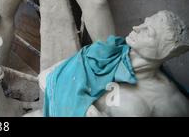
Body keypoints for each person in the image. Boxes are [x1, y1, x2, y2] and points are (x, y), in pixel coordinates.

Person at [39, 11, 189, 117]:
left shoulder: (171, 104)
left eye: (147, 32)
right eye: (143, 22)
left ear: (164, 52)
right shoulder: (106, 54)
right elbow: (46, 77)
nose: (136, 28)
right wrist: (81, 109)